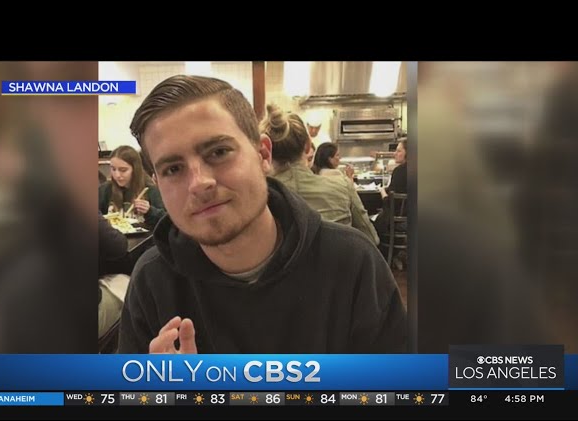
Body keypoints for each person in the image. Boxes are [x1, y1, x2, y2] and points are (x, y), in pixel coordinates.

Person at [118, 74, 406, 354]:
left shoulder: (353, 263)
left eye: (218, 152)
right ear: (157, 183)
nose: (199, 183)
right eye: (173, 169)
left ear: (263, 154)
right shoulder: (152, 282)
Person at [261, 104, 379, 245]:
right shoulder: (343, 186)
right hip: (335, 258)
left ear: (266, 149)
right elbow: (371, 238)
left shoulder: (259, 197)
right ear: (307, 145)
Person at [98, 145, 165, 229]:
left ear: (135, 169)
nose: (117, 175)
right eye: (113, 169)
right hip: (113, 235)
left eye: (123, 170)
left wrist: (150, 211)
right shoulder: (106, 189)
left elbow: (167, 222)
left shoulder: (151, 190)